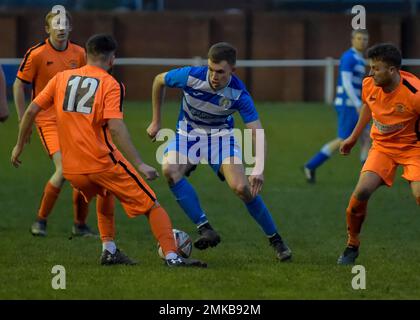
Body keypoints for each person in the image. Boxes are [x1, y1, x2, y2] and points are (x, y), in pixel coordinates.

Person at [11, 33, 207, 268]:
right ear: (112, 59)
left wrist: (19, 145)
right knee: (152, 204)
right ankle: (173, 257)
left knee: (105, 194)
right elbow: (115, 127)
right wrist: (140, 164)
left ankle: (109, 250)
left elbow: (32, 111)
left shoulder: (61, 78)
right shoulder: (111, 84)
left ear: (86, 54)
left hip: (72, 169)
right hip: (102, 162)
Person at [147, 42, 292, 262]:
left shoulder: (239, 94)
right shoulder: (190, 76)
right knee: (169, 169)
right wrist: (156, 120)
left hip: (220, 139)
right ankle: (205, 228)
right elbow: (159, 80)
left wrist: (259, 168)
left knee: (243, 187)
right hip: (188, 136)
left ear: (233, 70)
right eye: (211, 70)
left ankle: (276, 239)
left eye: (221, 72)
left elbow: (257, 132)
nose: (214, 76)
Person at [13, 8, 96, 237]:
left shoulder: (80, 54)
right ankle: (40, 221)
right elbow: (19, 85)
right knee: (65, 169)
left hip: (74, 121)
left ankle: (80, 225)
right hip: (47, 120)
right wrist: (23, 121)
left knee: (84, 172)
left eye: (64, 24)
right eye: (55, 24)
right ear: (47, 29)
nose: (60, 28)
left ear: (70, 28)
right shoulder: (37, 54)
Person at [337, 43, 420, 264]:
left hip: (414, 149)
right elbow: (368, 107)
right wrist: (353, 138)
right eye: (370, 67)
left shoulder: (415, 93)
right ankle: (352, 244)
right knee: (361, 192)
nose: (371, 73)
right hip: (383, 147)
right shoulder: (369, 85)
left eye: (375, 68)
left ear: (392, 71)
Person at [303, 29, 370, 183]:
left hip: (356, 105)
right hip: (348, 105)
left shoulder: (359, 59)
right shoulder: (349, 57)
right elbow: (346, 83)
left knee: (366, 138)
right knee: (343, 139)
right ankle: (311, 165)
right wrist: (358, 104)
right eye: (359, 38)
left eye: (365, 39)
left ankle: (366, 176)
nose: (362, 41)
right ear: (352, 39)